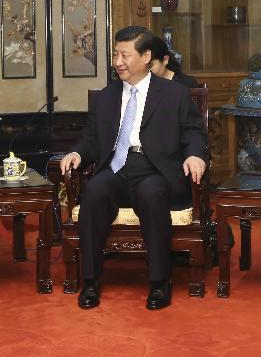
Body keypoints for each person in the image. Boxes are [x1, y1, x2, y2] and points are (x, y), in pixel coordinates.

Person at [60, 26, 208, 311]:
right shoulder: (106, 96)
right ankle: (90, 280)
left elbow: (194, 133)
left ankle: (159, 283)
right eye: (116, 54)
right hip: (116, 168)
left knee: (152, 195)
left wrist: (194, 156)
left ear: (146, 56)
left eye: (125, 55)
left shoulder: (174, 94)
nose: (118, 62)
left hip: (155, 168)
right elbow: (90, 138)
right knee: (93, 192)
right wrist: (77, 152)